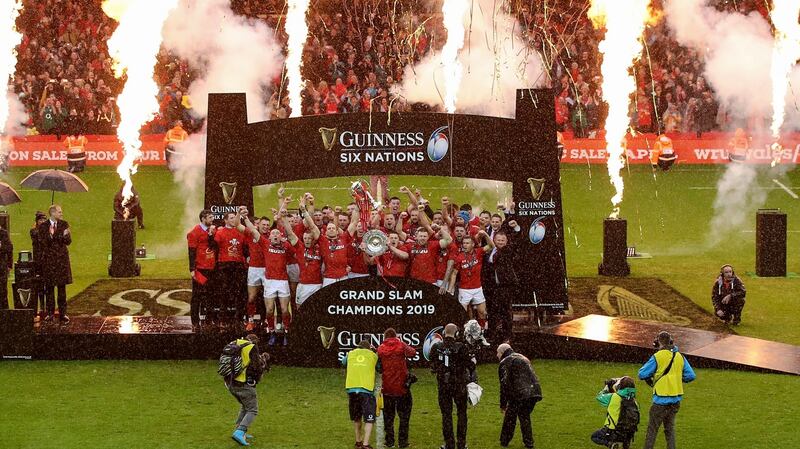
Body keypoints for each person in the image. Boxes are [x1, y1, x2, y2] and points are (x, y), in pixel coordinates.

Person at [638, 331, 696, 449]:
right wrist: (677, 378)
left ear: (658, 343)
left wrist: (653, 376)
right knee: (670, 430)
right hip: (675, 401)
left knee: (652, 430)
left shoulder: (658, 356)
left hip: (660, 401)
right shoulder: (680, 356)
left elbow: (642, 374)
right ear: (671, 342)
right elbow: (691, 376)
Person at [430, 323, 475, 449]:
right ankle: (461, 443)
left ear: (444, 333)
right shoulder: (461, 347)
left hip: (444, 385)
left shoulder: (436, 346)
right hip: (459, 384)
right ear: (457, 334)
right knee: (462, 413)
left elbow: (433, 366)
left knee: (446, 415)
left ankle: (449, 443)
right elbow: (470, 366)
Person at [225, 334, 269, 446]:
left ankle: (239, 428)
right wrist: (262, 365)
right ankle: (240, 432)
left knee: (245, 406)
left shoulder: (236, 343)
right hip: (243, 384)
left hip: (230, 383)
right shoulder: (252, 347)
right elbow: (256, 368)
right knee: (253, 410)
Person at [377, 328, 418, 448]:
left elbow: (378, 364)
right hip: (402, 388)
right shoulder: (401, 345)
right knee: (404, 417)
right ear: (395, 336)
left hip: (388, 388)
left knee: (388, 418)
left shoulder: (381, 348)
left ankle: (389, 441)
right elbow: (413, 352)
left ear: (385, 337)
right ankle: (403, 442)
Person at [497, 343, 542, 449]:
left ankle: (504, 441)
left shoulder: (505, 362)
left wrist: (503, 405)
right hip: (534, 392)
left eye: (497, 352)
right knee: (524, 416)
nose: (497, 355)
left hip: (520, 393)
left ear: (503, 352)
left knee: (510, 417)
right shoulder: (523, 357)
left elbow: (504, 385)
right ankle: (529, 443)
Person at [37, 205, 72, 324]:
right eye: (59, 212)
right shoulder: (43, 227)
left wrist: (58, 236)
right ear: (53, 213)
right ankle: (50, 313)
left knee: (62, 289)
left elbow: (68, 241)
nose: (61, 214)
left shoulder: (64, 224)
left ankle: (63, 314)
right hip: (49, 262)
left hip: (61, 261)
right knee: (49, 289)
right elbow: (43, 242)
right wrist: (58, 236)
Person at [343, 339, 379, 449]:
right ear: (369, 348)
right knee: (369, 418)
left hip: (352, 390)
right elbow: (379, 368)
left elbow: (343, 362)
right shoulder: (373, 355)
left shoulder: (350, 354)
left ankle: (358, 441)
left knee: (357, 417)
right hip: (366, 390)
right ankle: (366, 444)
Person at [591, 376, 639, 449]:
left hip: (612, 431)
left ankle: (610, 444)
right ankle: (624, 444)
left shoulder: (613, 397)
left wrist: (607, 387)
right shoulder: (634, 400)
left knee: (594, 436)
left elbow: (599, 397)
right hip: (628, 432)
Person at [187, 209, 216, 327]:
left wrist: (211, 236)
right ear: (203, 219)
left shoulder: (213, 231)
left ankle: (209, 320)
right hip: (200, 269)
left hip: (212, 268)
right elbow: (191, 252)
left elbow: (214, 246)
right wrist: (192, 269)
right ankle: (195, 321)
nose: (212, 219)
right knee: (197, 296)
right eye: (210, 217)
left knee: (211, 294)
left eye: (212, 217)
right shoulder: (194, 233)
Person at [0, 222, 12, 309]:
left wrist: (9, 264)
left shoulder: (3, 233)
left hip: (2, 265)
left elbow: (9, 248)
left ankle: (4, 311)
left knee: (3, 290)